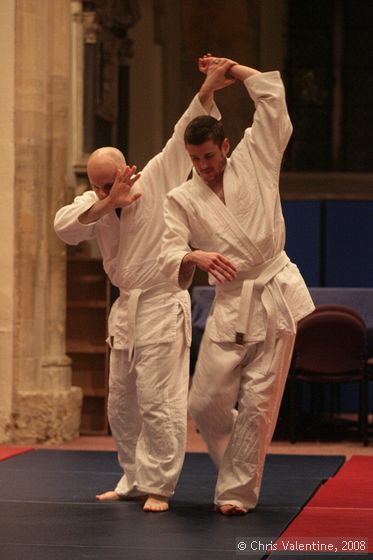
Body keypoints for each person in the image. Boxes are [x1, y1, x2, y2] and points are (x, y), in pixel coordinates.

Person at [54, 59, 235, 512]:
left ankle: (160, 484)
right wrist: (103, 205)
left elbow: (181, 135)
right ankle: (133, 476)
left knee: (159, 398)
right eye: (96, 185)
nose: (103, 190)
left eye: (110, 182)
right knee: (122, 402)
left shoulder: (155, 176)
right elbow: (63, 228)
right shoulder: (94, 202)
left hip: (160, 301)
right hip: (126, 308)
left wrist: (209, 87)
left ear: (126, 170)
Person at [158, 55, 315, 515]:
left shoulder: (255, 158)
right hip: (230, 299)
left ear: (225, 145)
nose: (203, 166)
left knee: (261, 403)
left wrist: (237, 71)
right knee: (205, 401)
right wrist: (193, 255)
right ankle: (238, 466)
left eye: (208, 156)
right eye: (195, 160)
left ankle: (235, 494)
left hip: (275, 291)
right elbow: (167, 249)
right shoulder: (182, 198)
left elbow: (273, 103)